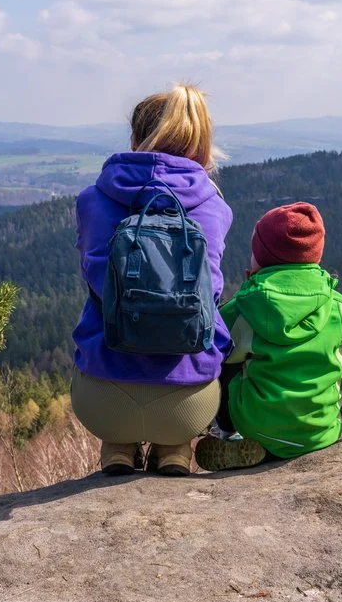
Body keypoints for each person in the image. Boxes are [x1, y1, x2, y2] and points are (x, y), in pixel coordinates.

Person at [195, 202, 342, 472]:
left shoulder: (241, 310)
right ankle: (284, 443)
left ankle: (232, 436)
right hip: (321, 435)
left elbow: (211, 359)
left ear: (260, 257)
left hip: (257, 426)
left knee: (225, 361)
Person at [71, 84, 233, 476]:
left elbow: (98, 284)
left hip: (102, 402)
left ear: (135, 139)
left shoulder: (93, 200)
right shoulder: (213, 206)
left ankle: (117, 446)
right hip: (188, 405)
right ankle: (175, 447)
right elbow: (209, 293)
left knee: (96, 318)